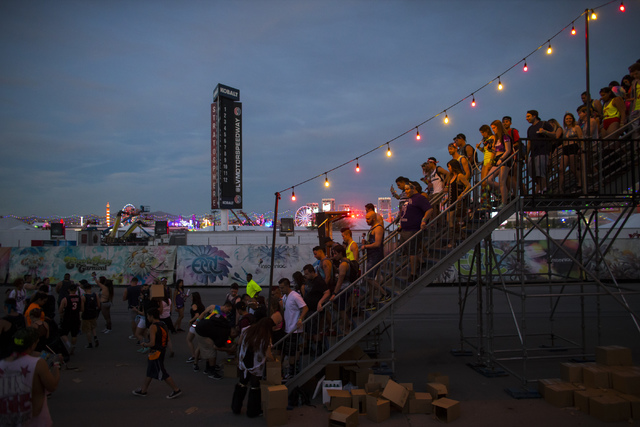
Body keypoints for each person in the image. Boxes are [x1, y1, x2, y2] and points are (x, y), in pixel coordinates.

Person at [0, 327, 60, 426]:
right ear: (32, 345)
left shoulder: (2, 364)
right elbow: (52, 386)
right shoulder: (38, 363)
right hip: (36, 420)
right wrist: (56, 365)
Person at [132, 308, 182, 399]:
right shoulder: (163, 324)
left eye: (148, 316)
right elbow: (166, 338)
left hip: (156, 352)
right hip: (162, 350)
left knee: (162, 372)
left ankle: (176, 389)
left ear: (151, 316)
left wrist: (144, 344)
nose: (147, 318)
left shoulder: (153, 327)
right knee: (150, 371)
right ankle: (143, 390)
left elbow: (152, 343)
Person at [231, 317, 275, 417]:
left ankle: (236, 407)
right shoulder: (265, 337)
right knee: (254, 387)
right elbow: (268, 355)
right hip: (256, 365)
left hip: (244, 361)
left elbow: (239, 342)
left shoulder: (246, 330)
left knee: (242, 383)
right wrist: (274, 361)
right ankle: (252, 411)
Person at [399, 182, 433, 281]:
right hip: (405, 229)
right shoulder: (409, 199)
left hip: (413, 230)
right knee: (408, 251)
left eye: (407, 189)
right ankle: (421, 262)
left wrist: (423, 221)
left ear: (413, 188)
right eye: (405, 189)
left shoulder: (420, 198)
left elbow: (429, 209)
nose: (406, 191)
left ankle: (413, 274)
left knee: (412, 252)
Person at [278, 278, 307, 379]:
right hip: (288, 327)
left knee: (291, 351)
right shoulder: (285, 297)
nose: (281, 290)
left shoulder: (295, 296)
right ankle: (292, 370)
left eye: (282, 288)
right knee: (291, 350)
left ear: (287, 286)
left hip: (294, 328)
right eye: (280, 288)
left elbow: (305, 308)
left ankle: (292, 371)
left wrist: (300, 319)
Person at [361, 210, 390, 311]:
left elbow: (377, 244)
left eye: (368, 219)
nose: (366, 220)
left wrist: (365, 246)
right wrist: (366, 242)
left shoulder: (378, 228)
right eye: (366, 218)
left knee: (368, 278)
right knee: (370, 279)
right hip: (371, 255)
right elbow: (373, 242)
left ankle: (385, 294)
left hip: (375, 256)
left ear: (373, 218)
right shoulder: (373, 228)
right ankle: (371, 302)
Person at [526, 110, 554, 194]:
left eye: (528, 116)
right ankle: (543, 187)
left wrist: (545, 132)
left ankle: (541, 190)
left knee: (541, 172)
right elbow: (529, 142)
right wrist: (526, 155)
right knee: (532, 173)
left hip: (542, 151)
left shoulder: (544, 124)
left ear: (534, 116)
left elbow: (554, 135)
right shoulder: (530, 129)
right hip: (533, 153)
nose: (527, 118)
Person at [446, 159, 471, 246]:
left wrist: (462, 194)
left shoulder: (460, 176)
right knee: (449, 220)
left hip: (456, 201)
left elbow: (468, 185)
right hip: (450, 200)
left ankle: (452, 240)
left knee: (451, 220)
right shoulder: (451, 177)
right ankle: (461, 234)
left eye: (449, 166)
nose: (448, 168)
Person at [489, 119, 513, 207]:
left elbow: (508, 150)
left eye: (494, 128)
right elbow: (496, 150)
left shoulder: (505, 137)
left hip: (504, 159)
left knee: (501, 180)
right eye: (492, 128)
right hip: (497, 158)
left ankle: (504, 201)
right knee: (489, 179)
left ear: (498, 127)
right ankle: (504, 192)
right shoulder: (496, 138)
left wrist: (502, 159)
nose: (493, 130)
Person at [560, 112, 584, 190]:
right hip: (565, 148)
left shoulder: (576, 127)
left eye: (570, 118)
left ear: (573, 119)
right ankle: (560, 188)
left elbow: (580, 138)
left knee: (573, 167)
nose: (568, 120)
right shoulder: (565, 130)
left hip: (573, 147)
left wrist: (581, 148)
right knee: (561, 169)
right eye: (567, 119)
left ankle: (580, 182)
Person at [58, 283, 83, 355]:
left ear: (69, 290)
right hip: (76, 318)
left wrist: (62, 313)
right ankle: (73, 346)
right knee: (74, 334)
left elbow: (60, 310)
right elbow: (82, 309)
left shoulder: (65, 299)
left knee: (63, 333)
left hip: (67, 318)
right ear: (75, 290)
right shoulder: (79, 298)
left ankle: (68, 345)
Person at [185, 291, 205, 367]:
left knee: (189, 339)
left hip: (195, 324)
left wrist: (191, 320)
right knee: (199, 341)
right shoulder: (201, 305)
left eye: (191, 297)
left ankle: (194, 355)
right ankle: (197, 355)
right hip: (201, 324)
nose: (190, 298)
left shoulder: (194, 305)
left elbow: (197, 315)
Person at [80, 281, 100, 349]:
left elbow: (82, 309)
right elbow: (98, 305)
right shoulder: (95, 294)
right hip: (93, 313)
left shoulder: (83, 297)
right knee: (93, 327)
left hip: (86, 315)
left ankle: (90, 343)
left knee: (88, 330)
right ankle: (95, 337)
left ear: (84, 289)